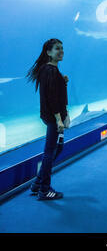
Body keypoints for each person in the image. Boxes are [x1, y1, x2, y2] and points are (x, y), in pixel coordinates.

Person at [26, 38, 69, 201]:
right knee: (50, 151)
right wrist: (59, 119)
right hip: (53, 117)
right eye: (57, 48)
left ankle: (37, 183)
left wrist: (63, 82)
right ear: (48, 52)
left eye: (62, 48)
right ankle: (44, 189)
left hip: (55, 116)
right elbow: (51, 97)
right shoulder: (50, 70)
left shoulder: (51, 70)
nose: (61, 51)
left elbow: (57, 93)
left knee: (57, 148)